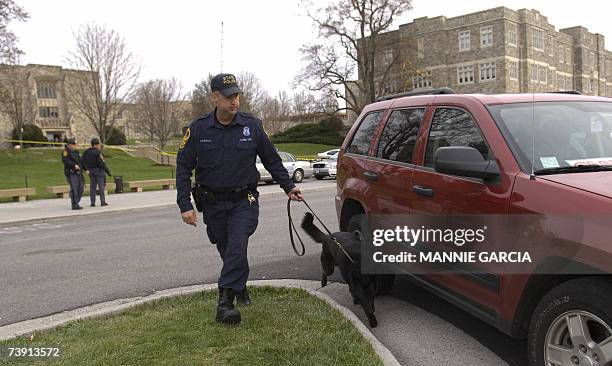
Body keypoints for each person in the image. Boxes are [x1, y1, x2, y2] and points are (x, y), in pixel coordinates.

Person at [176, 73, 303, 325]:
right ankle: (239, 285)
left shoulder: (252, 126)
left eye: (236, 95)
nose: (235, 101)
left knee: (237, 243)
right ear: (214, 97)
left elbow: (272, 160)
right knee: (226, 246)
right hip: (212, 202)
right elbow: (182, 168)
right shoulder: (198, 129)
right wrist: (184, 204)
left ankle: (225, 302)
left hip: (244, 200)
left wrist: (288, 186)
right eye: (228, 96)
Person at [82, 138, 111, 207]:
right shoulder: (98, 152)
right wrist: (107, 171)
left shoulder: (86, 152)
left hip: (90, 171)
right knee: (101, 187)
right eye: (98, 144)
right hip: (99, 171)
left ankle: (92, 202)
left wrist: (86, 169)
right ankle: (102, 201)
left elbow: (82, 162)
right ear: (95, 145)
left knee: (93, 187)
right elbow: (101, 163)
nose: (99, 146)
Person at [61, 138, 84, 210]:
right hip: (71, 172)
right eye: (74, 144)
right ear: (70, 145)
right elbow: (65, 161)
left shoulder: (76, 152)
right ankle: (74, 204)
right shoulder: (66, 152)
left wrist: (85, 169)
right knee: (74, 189)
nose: (75, 146)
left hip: (78, 172)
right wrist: (74, 165)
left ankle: (76, 201)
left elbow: (81, 161)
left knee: (81, 188)